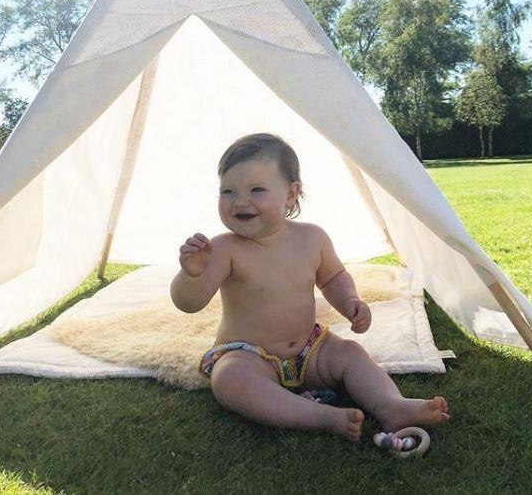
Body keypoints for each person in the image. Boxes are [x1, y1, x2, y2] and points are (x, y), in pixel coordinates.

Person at [170, 133, 449, 442]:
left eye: (256, 190)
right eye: (227, 191)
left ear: (291, 195)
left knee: (351, 353)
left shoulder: (312, 239)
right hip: (249, 354)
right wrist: (191, 276)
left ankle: (391, 406)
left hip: (310, 348)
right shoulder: (223, 249)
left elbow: (332, 277)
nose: (239, 201)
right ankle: (320, 417)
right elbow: (189, 303)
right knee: (230, 379)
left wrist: (349, 300)